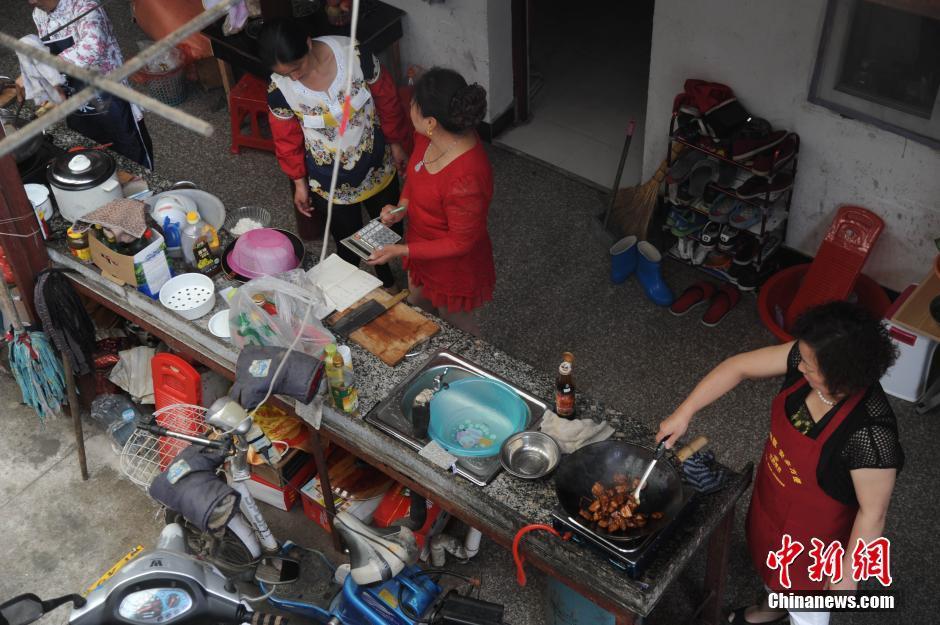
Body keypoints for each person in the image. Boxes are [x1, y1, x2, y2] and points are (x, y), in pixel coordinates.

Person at [657, 301, 902, 625]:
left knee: (807, 607)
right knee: (770, 564)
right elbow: (738, 367)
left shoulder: (871, 436)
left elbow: (874, 514)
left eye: (810, 366)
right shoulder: (809, 353)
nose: (800, 366)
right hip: (774, 498)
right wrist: (684, 412)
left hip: (816, 540)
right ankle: (772, 608)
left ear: (840, 379)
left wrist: (848, 574)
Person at [260, 18, 410, 288]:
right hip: (329, 181)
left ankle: (385, 275)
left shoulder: (355, 56)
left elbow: (387, 101)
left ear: (307, 42)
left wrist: (397, 143)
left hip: (376, 165)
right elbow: (286, 140)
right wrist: (298, 182)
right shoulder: (279, 91)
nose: (293, 77)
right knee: (346, 239)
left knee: (389, 227)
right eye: (286, 73)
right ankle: (357, 287)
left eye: (297, 67)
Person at [367, 67, 494, 336]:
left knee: (458, 330)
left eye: (414, 104)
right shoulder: (426, 137)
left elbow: (460, 242)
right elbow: (416, 178)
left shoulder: (466, 178)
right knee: (418, 311)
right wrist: (401, 208)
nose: (410, 106)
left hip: (452, 268)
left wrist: (401, 251)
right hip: (421, 250)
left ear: (431, 121)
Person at [18, 0, 155, 168]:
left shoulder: (86, 7)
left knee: (132, 162)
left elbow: (93, 47)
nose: (32, 2)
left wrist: (42, 70)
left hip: (111, 101)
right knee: (90, 160)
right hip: (76, 102)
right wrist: (51, 83)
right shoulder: (39, 14)